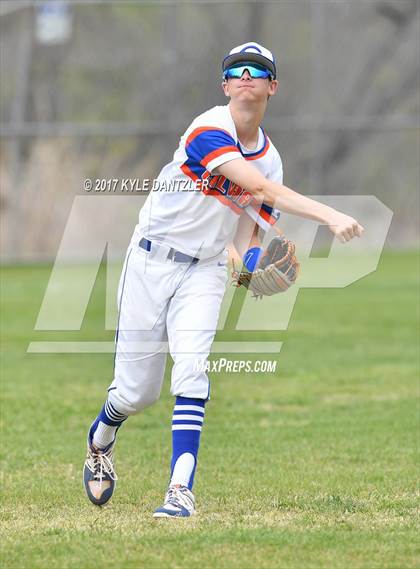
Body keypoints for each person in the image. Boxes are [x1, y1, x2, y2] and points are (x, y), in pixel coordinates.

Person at [83, 42, 364, 517]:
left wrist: (251, 267)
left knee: (191, 370)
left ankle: (179, 491)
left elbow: (246, 229)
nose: (246, 75)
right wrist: (330, 215)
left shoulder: (271, 159)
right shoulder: (207, 128)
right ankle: (101, 439)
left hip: (206, 270)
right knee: (137, 392)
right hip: (151, 260)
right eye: (236, 70)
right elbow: (255, 187)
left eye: (259, 71)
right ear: (225, 85)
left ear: (273, 86)